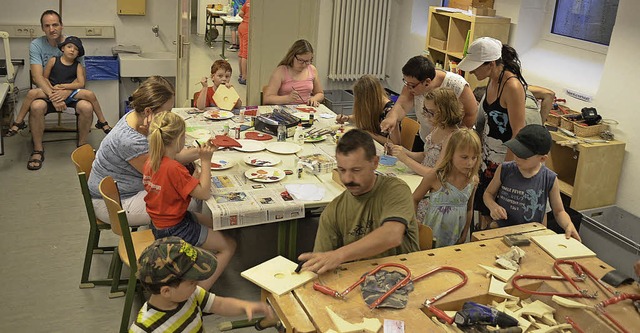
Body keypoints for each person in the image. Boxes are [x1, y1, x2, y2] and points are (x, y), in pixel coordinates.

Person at [297, 129, 420, 274]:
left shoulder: (395, 189)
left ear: (374, 163)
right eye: (342, 170)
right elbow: (322, 264)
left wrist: (339, 255)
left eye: (356, 170)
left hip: (404, 276)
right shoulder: (333, 211)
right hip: (360, 282)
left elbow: (392, 235)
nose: (347, 179)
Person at [143, 111, 236, 290]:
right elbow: (204, 194)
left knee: (217, 223)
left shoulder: (152, 160)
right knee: (229, 245)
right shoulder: (174, 168)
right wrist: (206, 161)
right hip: (175, 227)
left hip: (160, 222)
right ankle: (197, 295)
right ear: (178, 140)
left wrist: (195, 172)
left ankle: (195, 263)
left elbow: (173, 188)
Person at [88, 76, 197, 227]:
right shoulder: (129, 140)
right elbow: (162, 169)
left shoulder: (134, 117)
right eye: (167, 111)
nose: (168, 116)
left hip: (119, 191)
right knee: (191, 202)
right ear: (148, 111)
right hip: (115, 203)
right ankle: (177, 244)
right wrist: (202, 154)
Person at [457, 37, 528, 230]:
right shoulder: (492, 80)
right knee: (482, 210)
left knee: (495, 216)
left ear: (490, 64)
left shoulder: (512, 86)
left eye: (476, 67)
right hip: (487, 156)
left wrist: (505, 171)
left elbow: (518, 132)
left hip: (504, 159)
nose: (472, 71)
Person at [130, 237, 272, 332]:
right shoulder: (143, 329)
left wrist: (246, 306)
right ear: (166, 291)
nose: (197, 283)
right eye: (192, 281)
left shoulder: (191, 295)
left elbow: (220, 305)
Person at [23, 10, 96, 170]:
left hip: (70, 92)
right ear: (42, 28)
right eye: (47, 25)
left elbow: (81, 79)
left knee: (87, 106)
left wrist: (66, 93)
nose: (52, 29)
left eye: (55, 24)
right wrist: (54, 96)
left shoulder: (73, 43)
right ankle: (37, 149)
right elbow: (37, 77)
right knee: (36, 106)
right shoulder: (36, 45)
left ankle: (82, 146)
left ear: (61, 26)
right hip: (47, 92)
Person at [482, 124, 581, 241]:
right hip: (503, 230)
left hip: (532, 235)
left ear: (542, 159)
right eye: (516, 152)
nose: (517, 158)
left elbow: (559, 211)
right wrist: (493, 207)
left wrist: (568, 224)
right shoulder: (505, 169)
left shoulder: (549, 178)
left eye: (523, 156)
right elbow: (488, 194)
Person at [6, 36, 111, 138]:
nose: (72, 50)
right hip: (51, 91)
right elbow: (44, 78)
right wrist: (52, 90)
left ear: (78, 53)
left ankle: (102, 121)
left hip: (70, 93)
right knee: (31, 93)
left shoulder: (78, 65)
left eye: (76, 49)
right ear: (62, 48)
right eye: (69, 47)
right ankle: (18, 122)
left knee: (90, 94)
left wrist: (65, 87)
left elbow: (81, 83)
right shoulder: (53, 60)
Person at [380, 55, 477, 152]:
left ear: (427, 82)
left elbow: (471, 113)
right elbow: (401, 105)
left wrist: (454, 140)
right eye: (406, 83)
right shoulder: (413, 84)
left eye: (412, 85)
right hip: (427, 139)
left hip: (451, 144)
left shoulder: (456, 84)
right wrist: (392, 118)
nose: (408, 88)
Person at [412, 128, 480, 248]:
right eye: (464, 157)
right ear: (451, 153)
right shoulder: (435, 177)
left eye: (474, 158)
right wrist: (414, 221)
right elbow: (414, 199)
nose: (470, 163)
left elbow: (469, 209)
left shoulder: (472, 181)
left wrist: (465, 234)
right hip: (431, 237)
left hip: (455, 238)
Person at [388, 87, 464, 177]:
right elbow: (426, 156)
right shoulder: (437, 127)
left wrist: (405, 159)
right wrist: (402, 151)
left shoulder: (453, 138)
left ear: (445, 112)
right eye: (426, 110)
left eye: (431, 113)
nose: (427, 116)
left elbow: (435, 173)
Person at [336, 75, 400, 145]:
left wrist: (369, 133)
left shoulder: (390, 112)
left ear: (368, 98)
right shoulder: (375, 104)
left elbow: (395, 143)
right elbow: (364, 116)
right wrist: (348, 118)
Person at [263, 39, 324, 106]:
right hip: (285, 111)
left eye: (307, 61)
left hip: (306, 110)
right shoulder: (281, 71)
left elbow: (320, 94)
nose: (304, 65)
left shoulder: (312, 69)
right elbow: (267, 99)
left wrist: (314, 99)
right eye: (300, 60)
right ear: (292, 56)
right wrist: (287, 98)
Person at [237, 0, 250, 85]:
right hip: (248, 28)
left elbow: (241, 13)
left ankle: (241, 74)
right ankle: (244, 77)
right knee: (246, 53)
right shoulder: (258, 5)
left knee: (241, 52)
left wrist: (245, 19)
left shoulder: (248, 1)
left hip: (242, 26)